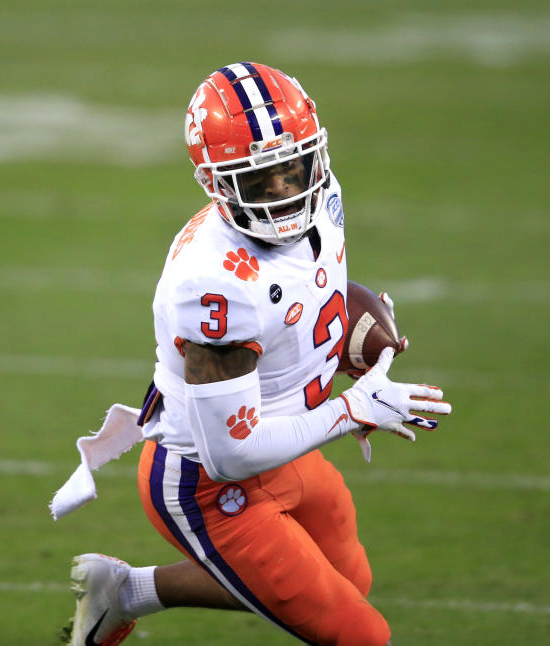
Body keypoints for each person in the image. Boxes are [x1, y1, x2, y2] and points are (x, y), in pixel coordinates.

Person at [62, 62, 452, 646]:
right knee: (361, 635)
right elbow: (231, 456)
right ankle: (124, 593)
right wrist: (353, 409)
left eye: (291, 168)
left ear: (313, 153)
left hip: (283, 436)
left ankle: (122, 593)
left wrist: (348, 338)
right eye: (257, 180)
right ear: (217, 183)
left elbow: (310, 292)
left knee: (350, 581)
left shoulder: (326, 198)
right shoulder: (215, 283)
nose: (282, 193)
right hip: (208, 483)